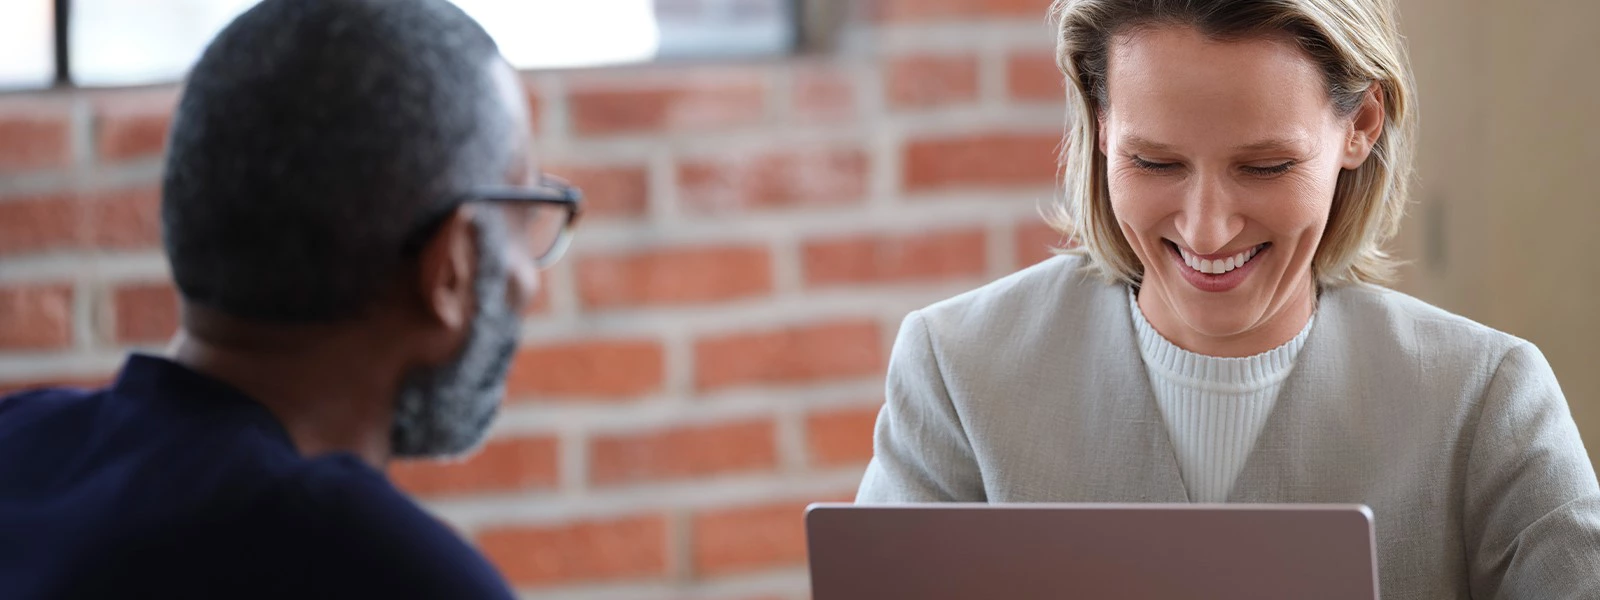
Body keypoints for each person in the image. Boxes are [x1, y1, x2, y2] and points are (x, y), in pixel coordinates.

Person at [856, 0, 1600, 596]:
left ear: (1362, 126)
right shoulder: (958, 369)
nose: (1207, 229)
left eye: (1266, 166)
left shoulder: (1485, 400)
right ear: (1100, 119)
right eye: (1155, 161)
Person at [0, 0, 583, 597]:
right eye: (524, 214)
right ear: (451, 269)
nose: (528, 278)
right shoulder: (379, 571)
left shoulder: (18, 448)